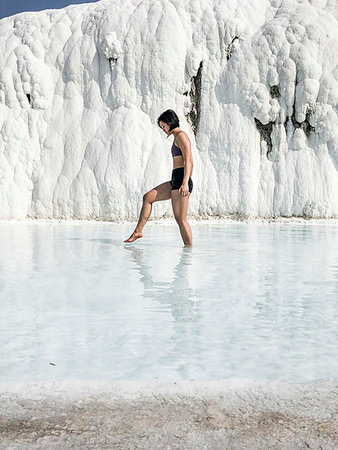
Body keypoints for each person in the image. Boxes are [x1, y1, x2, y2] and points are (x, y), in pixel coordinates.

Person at [124, 109, 193, 246]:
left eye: (163, 126)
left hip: (181, 179)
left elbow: (189, 160)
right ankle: (138, 231)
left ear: (170, 122)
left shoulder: (181, 136)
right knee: (148, 197)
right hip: (175, 179)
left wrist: (185, 182)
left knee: (181, 219)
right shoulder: (176, 137)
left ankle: (189, 250)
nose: (163, 129)